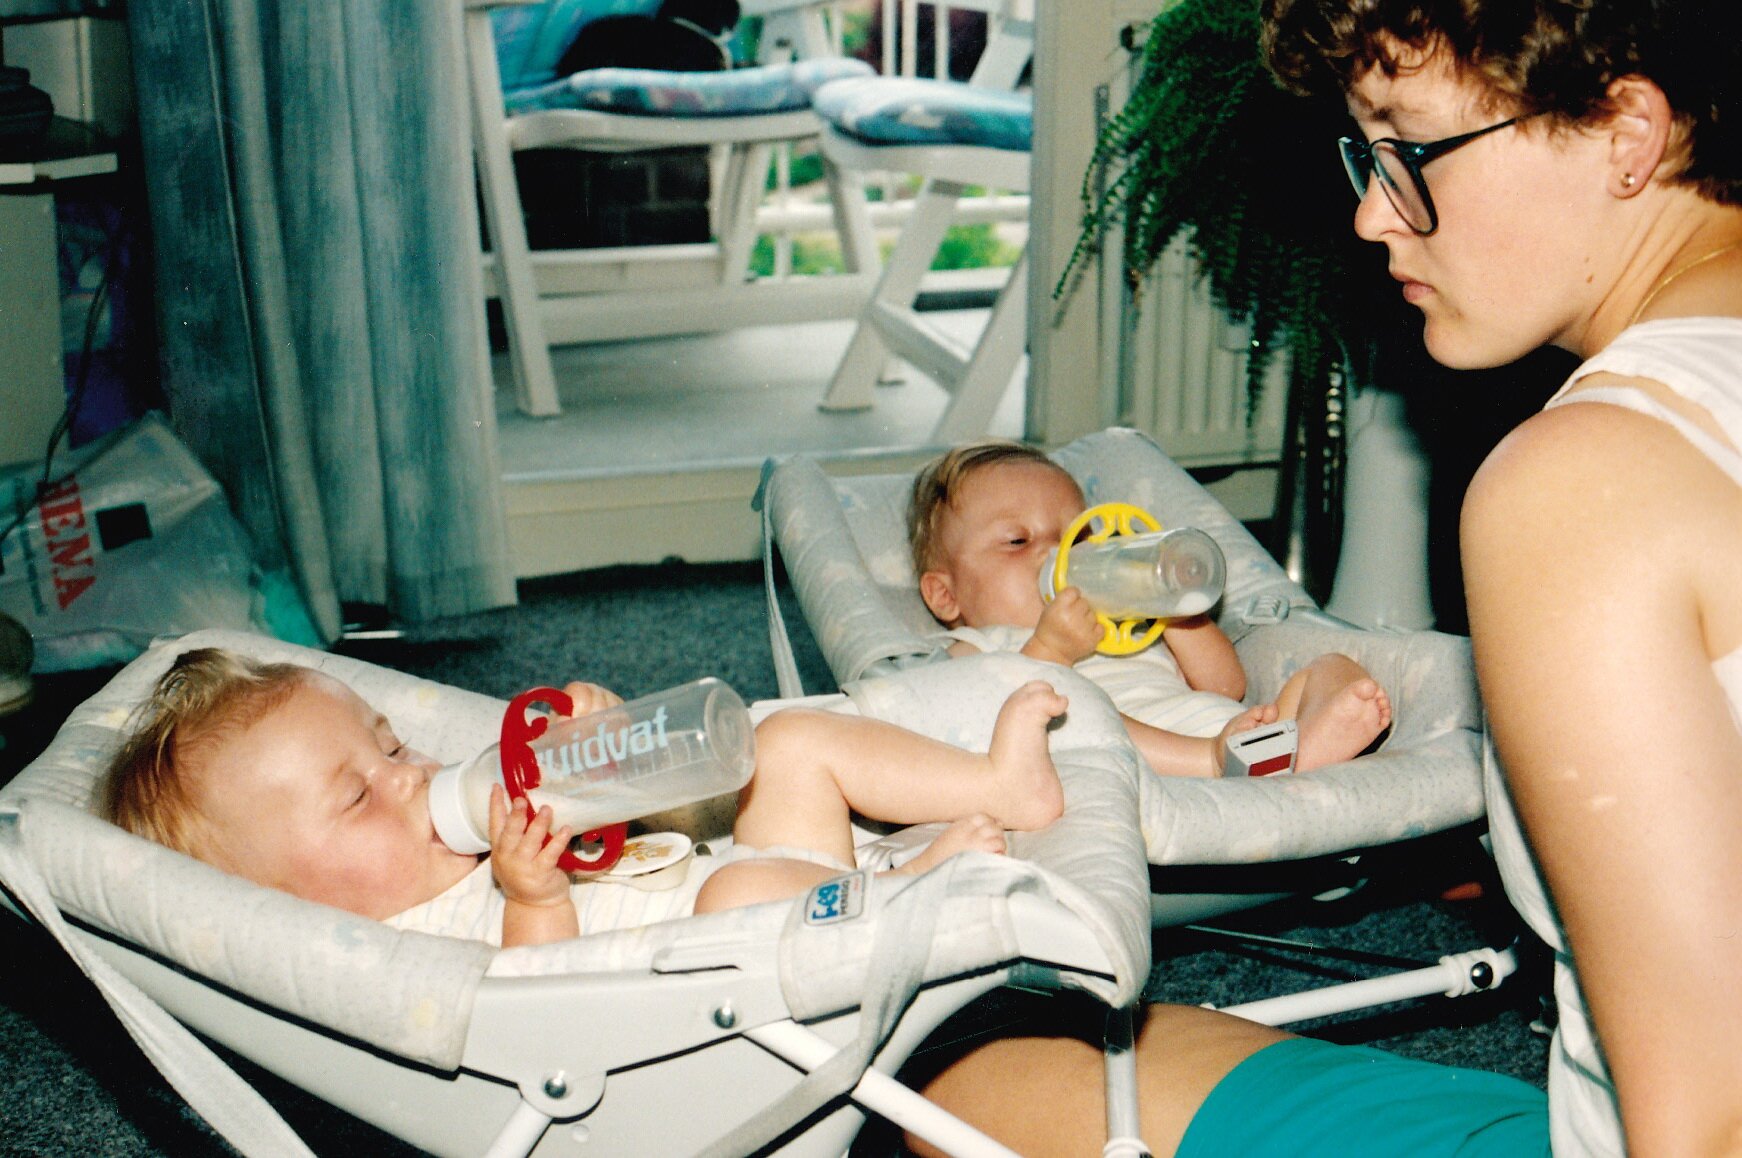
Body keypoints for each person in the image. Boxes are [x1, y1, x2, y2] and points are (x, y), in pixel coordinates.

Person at [907, 0, 1742, 1154]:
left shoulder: (1580, 485)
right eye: (1366, 154)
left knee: (955, 1084)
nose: (1368, 212)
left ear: (1624, 133)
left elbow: (1706, 1119)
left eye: (1409, 147)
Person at [102, 647, 1070, 948]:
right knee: (731, 896)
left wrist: (598, 753)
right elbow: (531, 1009)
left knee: (783, 743)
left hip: (776, 882)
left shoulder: (471, 820)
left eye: (390, 744)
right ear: (279, 897)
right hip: (744, 961)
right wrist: (534, 899)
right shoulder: (400, 941)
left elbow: (632, 828)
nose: (408, 775)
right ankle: (912, 892)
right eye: (357, 796)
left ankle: (996, 783)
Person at [909, 440, 1392, 778]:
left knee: (1331, 668)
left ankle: (1299, 749)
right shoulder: (976, 648)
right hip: (1144, 769)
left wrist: (1171, 608)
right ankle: (1227, 763)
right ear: (945, 596)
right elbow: (982, 719)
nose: (1059, 555)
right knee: (1081, 714)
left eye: (1079, 535)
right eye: (1018, 541)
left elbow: (1227, 687)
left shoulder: (1128, 614)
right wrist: (1050, 650)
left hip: (1233, 735)